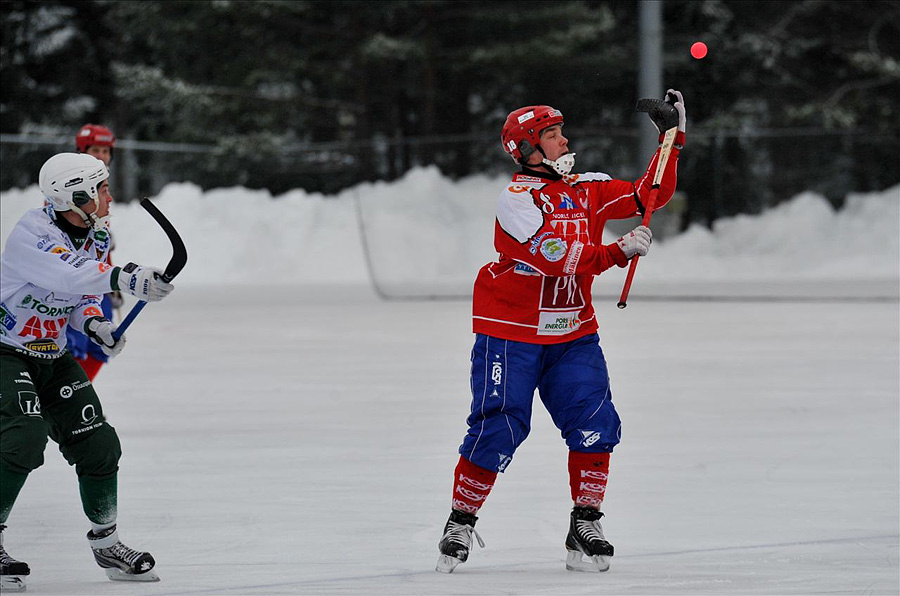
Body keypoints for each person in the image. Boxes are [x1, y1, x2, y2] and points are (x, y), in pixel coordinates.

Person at [435, 91, 687, 574]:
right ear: (527, 149)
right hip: (511, 333)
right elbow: (554, 258)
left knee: (595, 421)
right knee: (500, 427)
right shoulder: (517, 200)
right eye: (552, 135)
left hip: (573, 333)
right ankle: (460, 521)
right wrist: (618, 253)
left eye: (560, 131)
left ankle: (585, 522)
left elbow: (647, 195)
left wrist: (670, 140)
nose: (564, 139)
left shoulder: (587, 187)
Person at [0, 152, 174, 590]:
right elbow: (70, 273)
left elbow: (76, 298)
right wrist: (126, 277)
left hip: (53, 354)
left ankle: (108, 543)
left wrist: (96, 325)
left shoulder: (96, 234)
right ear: (75, 196)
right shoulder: (31, 233)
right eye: (102, 189)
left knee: (100, 444)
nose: (109, 197)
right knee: (24, 436)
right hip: (5, 352)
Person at [66, 124, 120, 381]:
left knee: (101, 345)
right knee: (73, 347)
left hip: (98, 280)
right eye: (95, 150)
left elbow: (99, 244)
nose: (101, 155)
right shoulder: (67, 185)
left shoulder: (102, 186)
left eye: (106, 151)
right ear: (81, 151)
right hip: (72, 281)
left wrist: (112, 282)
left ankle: (79, 401)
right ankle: (62, 406)